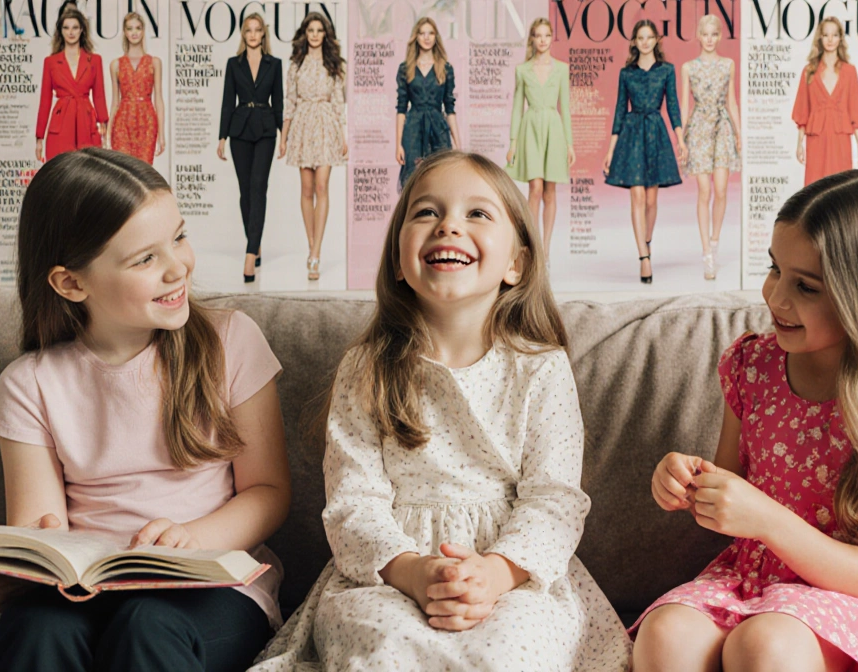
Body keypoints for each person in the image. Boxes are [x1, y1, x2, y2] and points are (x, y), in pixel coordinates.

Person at [252, 151, 631, 671]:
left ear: (515, 264)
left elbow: (555, 500)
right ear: (397, 261)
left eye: (478, 213)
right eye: (426, 212)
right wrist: (411, 571)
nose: (449, 224)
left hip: (512, 574)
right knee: (382, 649)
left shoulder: (541, 369)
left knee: (515, 650)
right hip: (387, 572)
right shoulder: (367, 368)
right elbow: (352, 503)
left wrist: (496, 573)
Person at [632, 170, 858, 672]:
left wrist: (765, 517)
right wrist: (686, 481)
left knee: (764, 644)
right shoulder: (751, 365)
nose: (776, 298)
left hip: (855, 598)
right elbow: (729, 487)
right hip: (754, 582)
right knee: (665, 635)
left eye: (806, 287)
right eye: (775, 270)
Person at [0, 148, 290, 672]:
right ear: (72, 283)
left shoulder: (231, 340)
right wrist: (12, 574)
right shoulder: (29, 384)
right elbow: (38, 531)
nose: (178, 267)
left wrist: (193, 539)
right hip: (86, 592)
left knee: (147, 624)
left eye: (179, 237)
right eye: (145, 259)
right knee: (35, 628)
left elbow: (270, 493)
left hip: (213, 581)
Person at [604, 20, 686, 284]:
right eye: (641, 37)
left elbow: (673, 106)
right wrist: (610, 150)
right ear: (635, 42)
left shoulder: (667, 70)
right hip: (631, 135)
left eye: (650, 37)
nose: (646, 42)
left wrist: (680, 140)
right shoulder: (626, 73)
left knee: (651, 200)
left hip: (656, 134)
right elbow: (619, 109)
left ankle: (646, 241)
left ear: (656, 40)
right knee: (637, 197)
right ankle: (644, 258)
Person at [280, 12, 346, 281]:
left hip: (327, 124)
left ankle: (316, 252)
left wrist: (344, 136)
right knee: (307, 191)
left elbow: (339, 101)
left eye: (320, 30)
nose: (315, 34)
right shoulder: (296, 64)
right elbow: (289, 102)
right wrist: (283, 138)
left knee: (322, 187)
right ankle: (312, 246)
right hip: (303, 126)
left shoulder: (333, 64)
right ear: (305, 34)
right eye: (311, 30)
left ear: (325, 34)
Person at [219, 12, 284, 283]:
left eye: (258, 30)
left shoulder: (275, 64)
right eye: (249, 30)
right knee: (245, 191)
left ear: (263, 34)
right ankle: (254, 241)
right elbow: (226, 101)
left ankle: (249, 253)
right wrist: (222, 137)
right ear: (243, 34)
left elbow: (278, 101)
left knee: (259, 186)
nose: (254, 34)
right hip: (240, 130)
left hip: (266, 130)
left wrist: (285, 135)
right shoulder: (234, 64)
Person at [506, 17, 573, 262]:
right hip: (530, 127)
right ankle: (533, 244)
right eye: (538, 35)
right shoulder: (522, 70)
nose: (543, 40)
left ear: (551, 38)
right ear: (532, 39)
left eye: (547, 35)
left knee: (550, 191)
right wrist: (513, 142)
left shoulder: (562, 68)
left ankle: (546, 248)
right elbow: (516, 107)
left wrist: (569, 144)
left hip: (554, 129)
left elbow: (564, 106)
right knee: (535, 188)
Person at [679, 15, 740, 281]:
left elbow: (732, 101)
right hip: (699, 129)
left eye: (714, 34)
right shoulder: (688, 68)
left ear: (719, 36)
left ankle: (715, 241)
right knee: (704, 190)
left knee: (722, 189)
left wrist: (739, 132)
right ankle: (707, 253)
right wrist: (681, 139)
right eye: (705, 34)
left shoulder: (728, 65)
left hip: (722, 128)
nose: (710, 38)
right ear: (698, 36)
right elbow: (684, 104)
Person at [792, 18, 858, 187]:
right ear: (820, 38)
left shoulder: (849, 72)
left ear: (840, 38)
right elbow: (802, 110)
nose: (830, 40)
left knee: (841, 189)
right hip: (816, 138)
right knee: (815, 188)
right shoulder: (809, 71)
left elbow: (855, 110)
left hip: (840, 138)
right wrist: (799, 145)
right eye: (826, 35)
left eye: (834, 35)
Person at [35, 6, 108, 163]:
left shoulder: (95, 60)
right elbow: (45, 101)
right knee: (61, 173)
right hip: (61, 124)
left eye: (75, 27)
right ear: (60, 31)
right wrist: (39, 137)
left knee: (89, 172)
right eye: (66, 28)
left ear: (82, 29)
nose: (71, 32)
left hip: (86, 122)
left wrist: (104, 126)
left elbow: (99, 95)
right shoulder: (51, 62)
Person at [396, 17, 459, 189]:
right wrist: (398, 145)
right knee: (413, 181)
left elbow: (450, 107)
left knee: (441, 178)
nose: (426, 37)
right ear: (415, 37)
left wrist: (458, 144)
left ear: (436, 37)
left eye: (430, 33)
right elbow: (401, 108)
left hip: (438, 129)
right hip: (413, 131)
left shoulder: (445, 68)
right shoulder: (405, 68)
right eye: (422, 33)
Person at [109, 12, 164, 165]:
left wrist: (162, 133)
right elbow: (115, 102)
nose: (134, 32)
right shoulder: (116, 64)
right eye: (130, 28)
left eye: (138, 28)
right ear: (125, 32)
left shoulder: (154, 62)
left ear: (143, 31)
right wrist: (108, 135)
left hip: (147, 122)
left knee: (144, 173)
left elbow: (158, 98)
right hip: (122, 124)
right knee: (123, 172)